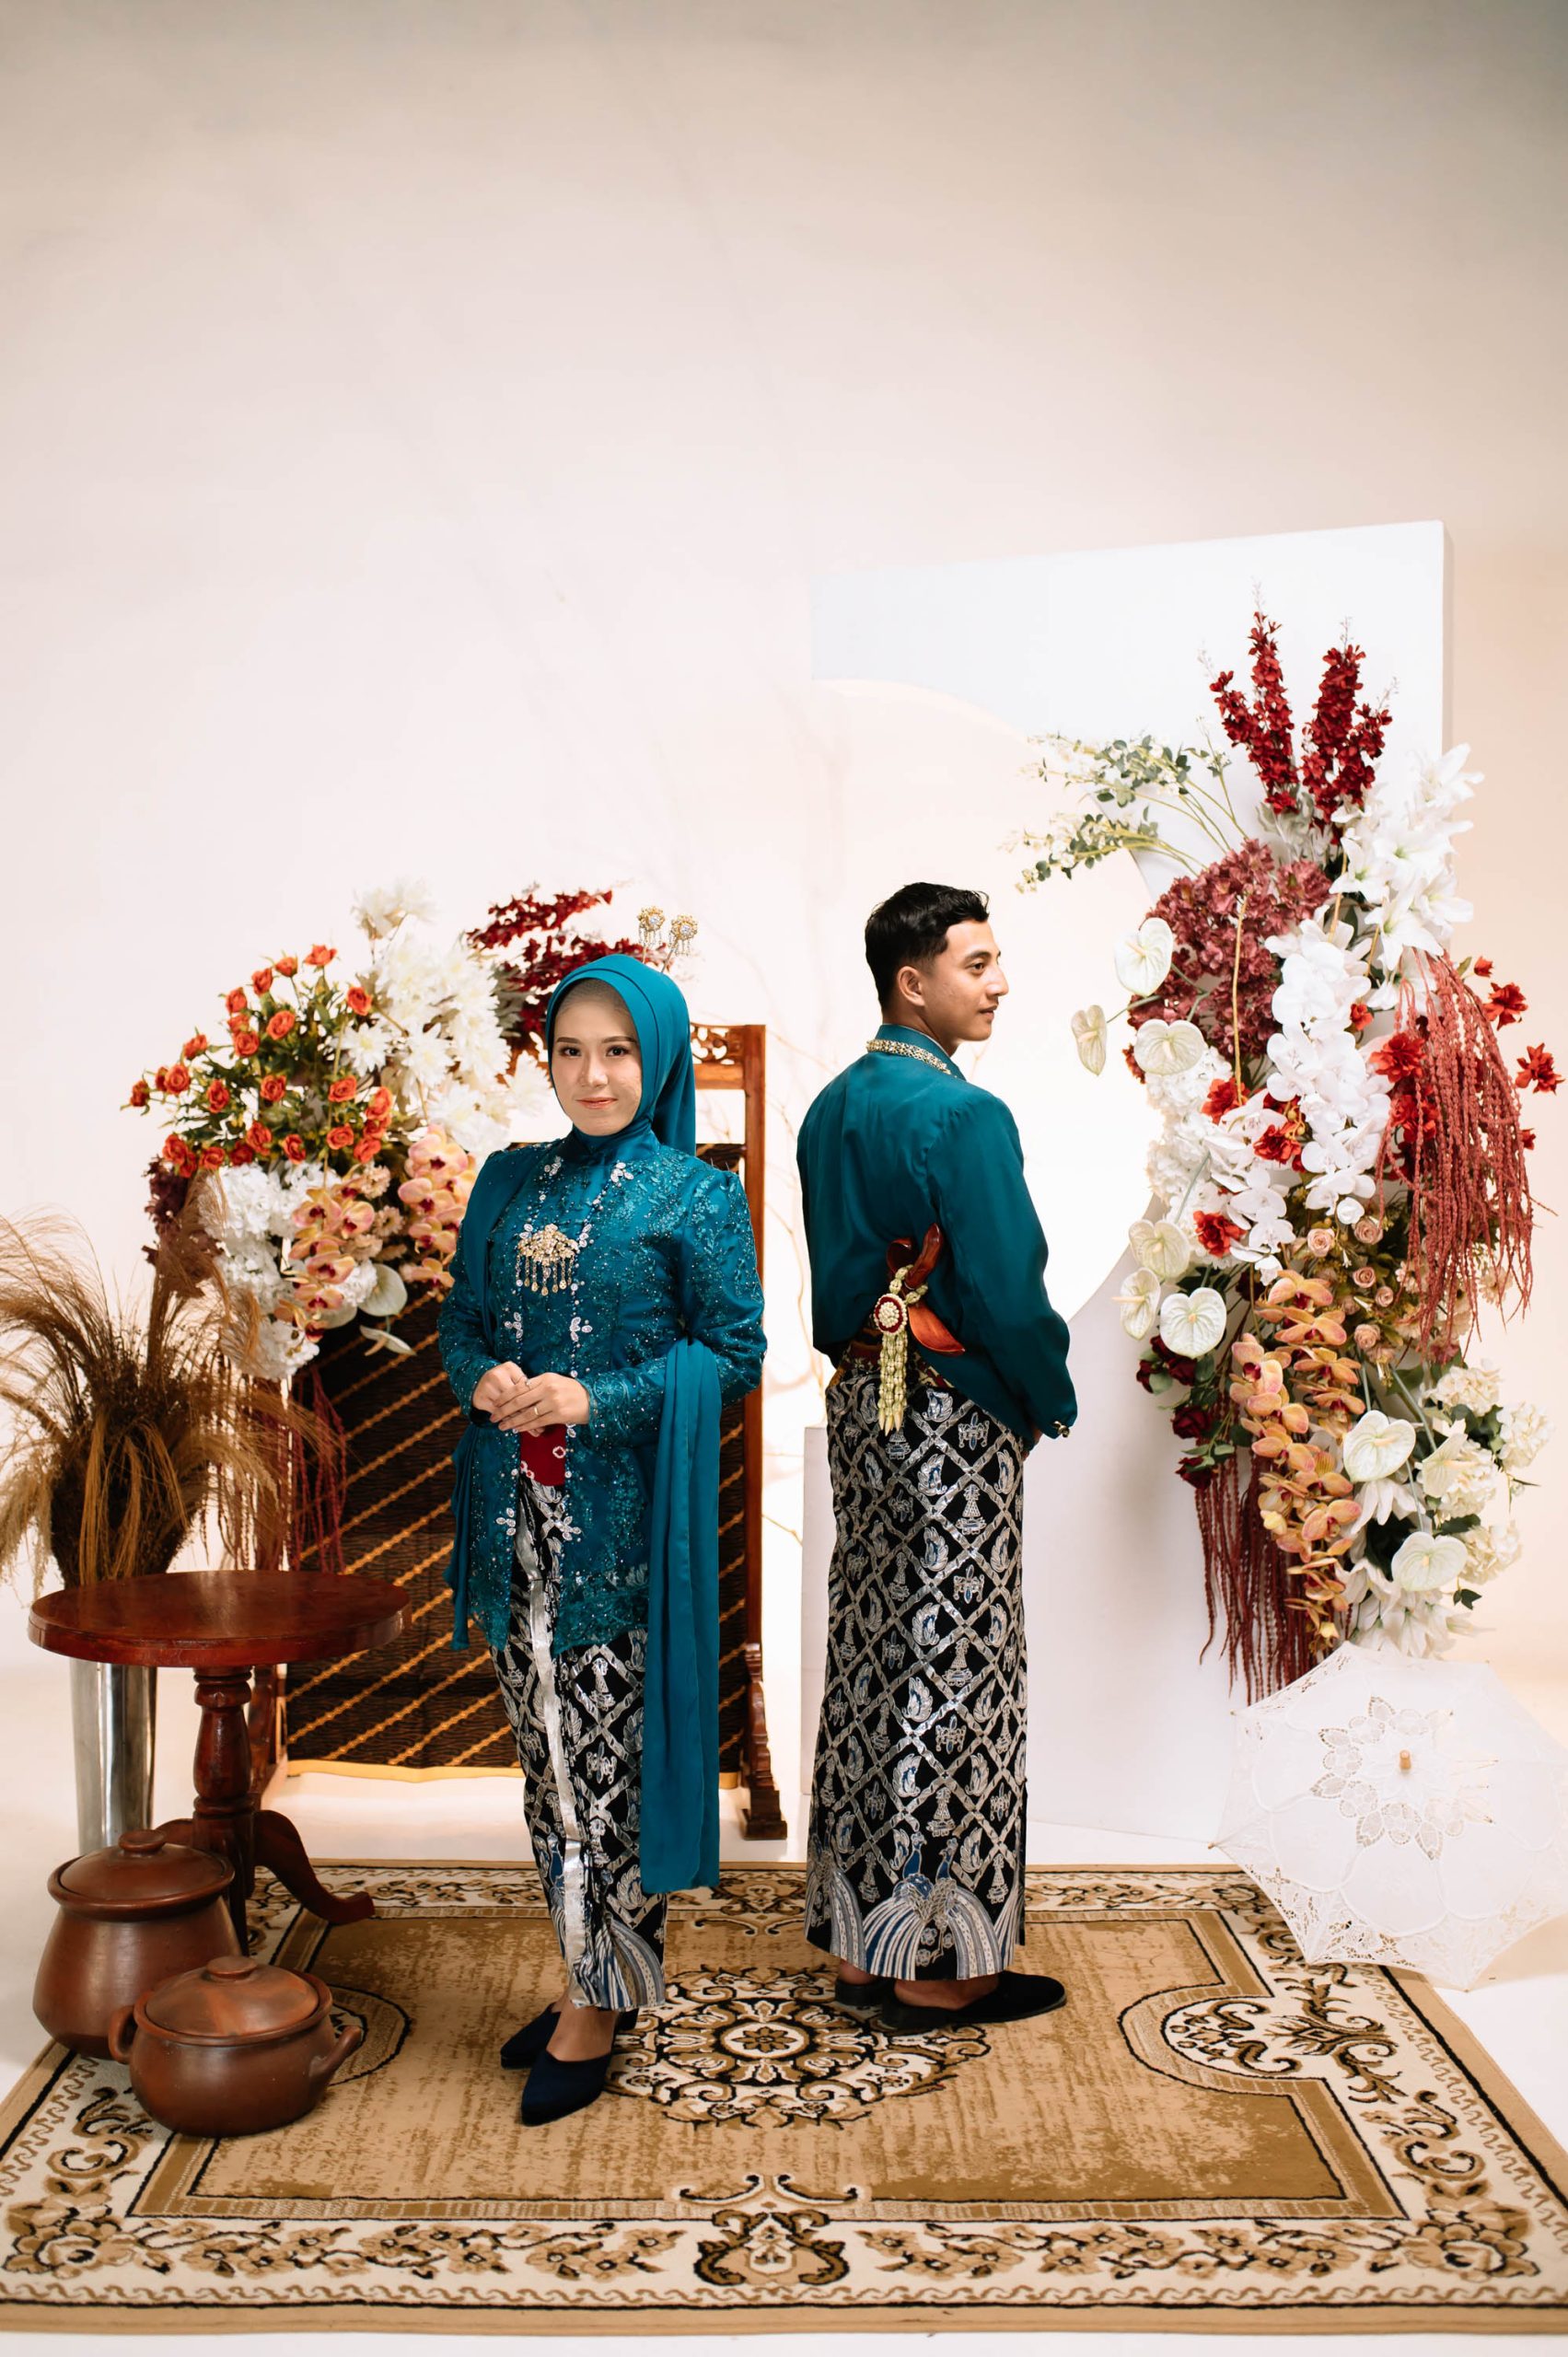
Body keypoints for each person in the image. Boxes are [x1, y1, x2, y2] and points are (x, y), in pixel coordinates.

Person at [438, 955, 765, 2125]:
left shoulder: (695, 1196)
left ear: (656, 1058)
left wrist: (593, 1399)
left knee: (604, 1772)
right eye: (570, 1051)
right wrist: (484, 1378)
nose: (592, 1075)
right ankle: (595, 1968)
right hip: (509, 1525)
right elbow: (461, 1321)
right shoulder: (505, 1178)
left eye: (617, 1051)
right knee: (548, 1767)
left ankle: (596, 1998)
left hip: (620, 1538)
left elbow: (735, 1354)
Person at [797, 881, 1076, 2035]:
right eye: (976, 963)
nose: (998, 982)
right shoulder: (964, 1116)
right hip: (952, 1411)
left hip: (863, 1402)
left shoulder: (827, 1108)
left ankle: (860, 1943)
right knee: (957, 1668)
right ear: (911, 983)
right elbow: (1007, 1290)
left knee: (871, 1651)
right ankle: (940, 1963)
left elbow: (832, 1288)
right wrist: (1042, 1398)